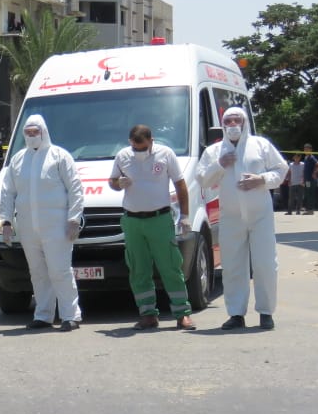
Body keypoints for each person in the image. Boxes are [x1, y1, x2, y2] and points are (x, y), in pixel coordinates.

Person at [195, 106, 288, 331]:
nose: (233, 124)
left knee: (265, 264)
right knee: (233, 265)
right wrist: (220, 165)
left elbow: (281, 169)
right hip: (231, 216)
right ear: (223, 125)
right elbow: (202, 179)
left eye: (237, 120)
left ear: (245, 122)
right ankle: (236, 313)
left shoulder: (261, 145)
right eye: (229, 121)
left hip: (260, 215)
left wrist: (262, 179)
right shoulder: (214, 151)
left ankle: (266, 312)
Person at [0, 114, 85, 331]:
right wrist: (6, 221)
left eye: (35, 132)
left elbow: (75, 189)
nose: (32, 136)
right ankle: (43, 315)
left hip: (56, 226)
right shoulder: (17, 159)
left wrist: (74, 218)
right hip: (27, 227)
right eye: (28, 132)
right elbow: (7, 193)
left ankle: (70, 315)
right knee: (37, 272)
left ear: (44, 132)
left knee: (60, 271)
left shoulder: (59, 156)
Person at [108, 124, 195, 330]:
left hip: (160, 218)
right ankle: (147, 314)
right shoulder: (122, 155)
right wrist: (118, 183)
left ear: (151, 141)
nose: (138, 151)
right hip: (132, 220)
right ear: (130, 142)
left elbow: (180, 184)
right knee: (138, 268)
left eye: (142, 147)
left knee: (170, 266)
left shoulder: (165, 154)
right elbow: (111, 181)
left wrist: (185, 216)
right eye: (134, 147)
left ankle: (182, 313)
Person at [301, 143, 318, 214]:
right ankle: (308, 209)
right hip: (307, 179)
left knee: (310, 194)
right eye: (305, 149)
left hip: (311, 179)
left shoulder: (312, 157)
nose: (305, 150)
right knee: (307, 193)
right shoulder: (306, 158)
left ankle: (310, 209)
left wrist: (314, 173)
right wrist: (303, 179)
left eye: (307, 149)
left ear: (310, 150)